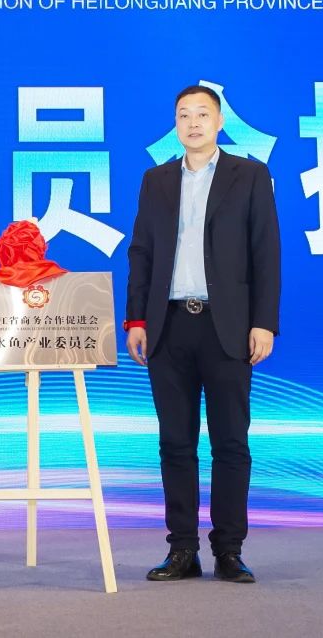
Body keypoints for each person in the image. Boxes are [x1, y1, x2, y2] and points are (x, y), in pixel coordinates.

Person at [125, 85, 281, 583]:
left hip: (227, 326)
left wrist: (264, 322)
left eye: (202, 115)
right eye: (183, 115)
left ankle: (229, 550)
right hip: (168, 326)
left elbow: (266, 253)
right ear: (175, 124)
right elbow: (141, 252)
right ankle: (182, 549)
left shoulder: (249, 175)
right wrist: (136, 319)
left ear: (219, 122)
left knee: (230, 443)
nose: (192, 124)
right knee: (175, 443)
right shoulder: (156, 180)